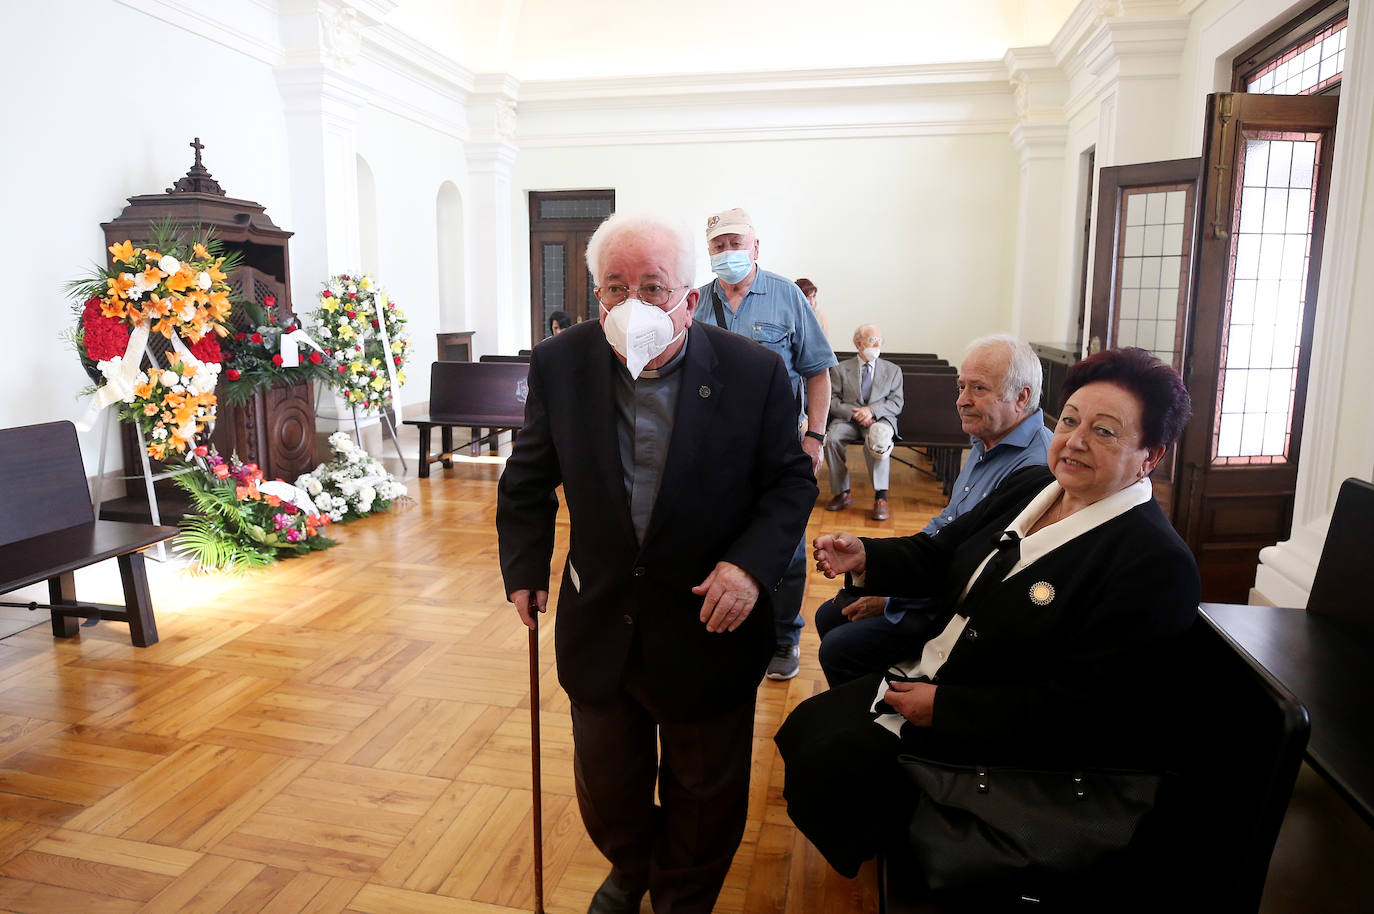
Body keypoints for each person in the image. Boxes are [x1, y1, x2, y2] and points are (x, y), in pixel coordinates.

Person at [776, 347, 1199, 880]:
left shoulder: (1153, 561)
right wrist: (866, 555)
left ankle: (906, 858)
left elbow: (1088, 711)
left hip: (1009, 742)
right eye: (1069, 420)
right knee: (806, 729)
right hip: (937, 676)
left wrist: (947, 709)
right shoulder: (1036, 489)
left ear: (1151, 455)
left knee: (834, 763)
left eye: (1106, 431)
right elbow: (942, 553)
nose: (1074, 440)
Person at [496, 213, 817, 914]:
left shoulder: (754, 372)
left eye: (653, 287)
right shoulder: (561, 362)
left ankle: (681, 896)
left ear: (690, 300)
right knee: (608, 780)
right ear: (595, 296)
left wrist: (750, 567)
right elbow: (527, 478)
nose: (633, 306)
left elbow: (792, 483)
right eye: (615, 288)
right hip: (602, 611)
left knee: (705, 791)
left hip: (709, 618)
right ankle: (630, 866)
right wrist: (524, 566)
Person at [815, 334, 1054, 687]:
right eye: (961, 387)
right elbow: (946, 524)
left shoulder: (1034, 467)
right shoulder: (989, 436)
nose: (962, 401)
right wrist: (884, 575)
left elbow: (975, 572)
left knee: (839, 647)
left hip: (962, 610)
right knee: (831, 612)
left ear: (1022, 397)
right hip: (936, 578)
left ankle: (888, 720)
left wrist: (892, 599)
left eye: (978, 389)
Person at [694, 207, 837, 680]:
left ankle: (783, 637)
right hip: (713, 452)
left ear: (755, 248)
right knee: (718, 536)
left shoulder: (787, 296)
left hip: (780, 447)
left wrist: (814, 438)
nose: (727, 252)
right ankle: (726, 623)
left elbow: (817, 372)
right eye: (719, 245)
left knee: (787, 548)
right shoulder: (696, 301)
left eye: (736, 243)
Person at [824, 324, 903, 521]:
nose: (877, 344)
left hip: (879, 419)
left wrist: (871, 411)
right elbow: (832, 400)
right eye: (872, 339)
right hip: (849, 419)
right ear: (858, 343)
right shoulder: (841, 369)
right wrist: (855, 413)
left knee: (878, 439)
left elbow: (896, 402)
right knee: (831, 439)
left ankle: (881, 497)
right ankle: (842, 491)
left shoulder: (893, 370)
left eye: (879, 340)